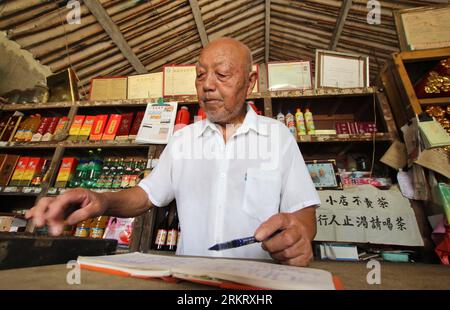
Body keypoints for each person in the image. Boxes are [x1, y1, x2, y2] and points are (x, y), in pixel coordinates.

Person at [26, 38, 320, 267]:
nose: (207, 85)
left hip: (257, 284)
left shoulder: (277, 136)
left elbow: (305, 216)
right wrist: (101, 200)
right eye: (201, 75)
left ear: (250, 82)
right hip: (189, 282)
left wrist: (297, 236)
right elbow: (144, 196)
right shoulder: (182, 140)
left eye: (222, 74)